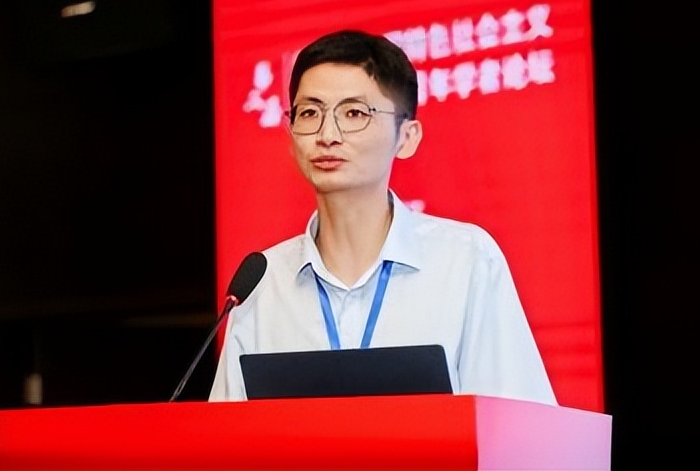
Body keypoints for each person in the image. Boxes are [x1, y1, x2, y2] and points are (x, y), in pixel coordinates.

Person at [209, 29, 557, 405]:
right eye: (309, 113)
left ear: (406, 137)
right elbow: (224, 435)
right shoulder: (261, 286)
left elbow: (518, 423)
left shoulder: (465, 260)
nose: (327, 134)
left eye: (354, 113)